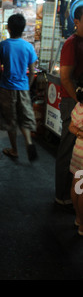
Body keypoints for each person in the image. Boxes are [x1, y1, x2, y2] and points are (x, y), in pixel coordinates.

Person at [0, 13, 38, 161]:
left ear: (8, 28)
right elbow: (32, 71)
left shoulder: (3, 46)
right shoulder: (28, 47)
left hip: (6, 88)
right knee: (23, 118)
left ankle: (14, 150)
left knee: (10, 120)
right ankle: (29, 142)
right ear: (23, 29)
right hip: (23, 88)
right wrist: (27, 86)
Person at [55, 5, 83, 207]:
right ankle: (63, 196)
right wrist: (79, 101)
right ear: (77, 21)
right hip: (72, 102)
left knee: (79, 153)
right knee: (68, 148)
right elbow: (65, 78)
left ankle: (77, 199)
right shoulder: (71, 44)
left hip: (79, 102)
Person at [69, 74, 83, 234]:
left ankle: (78, 218)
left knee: (77, 185)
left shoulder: (79, 106)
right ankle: (82, 225)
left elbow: (71, 127)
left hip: (78, 153)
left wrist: (79, 133)